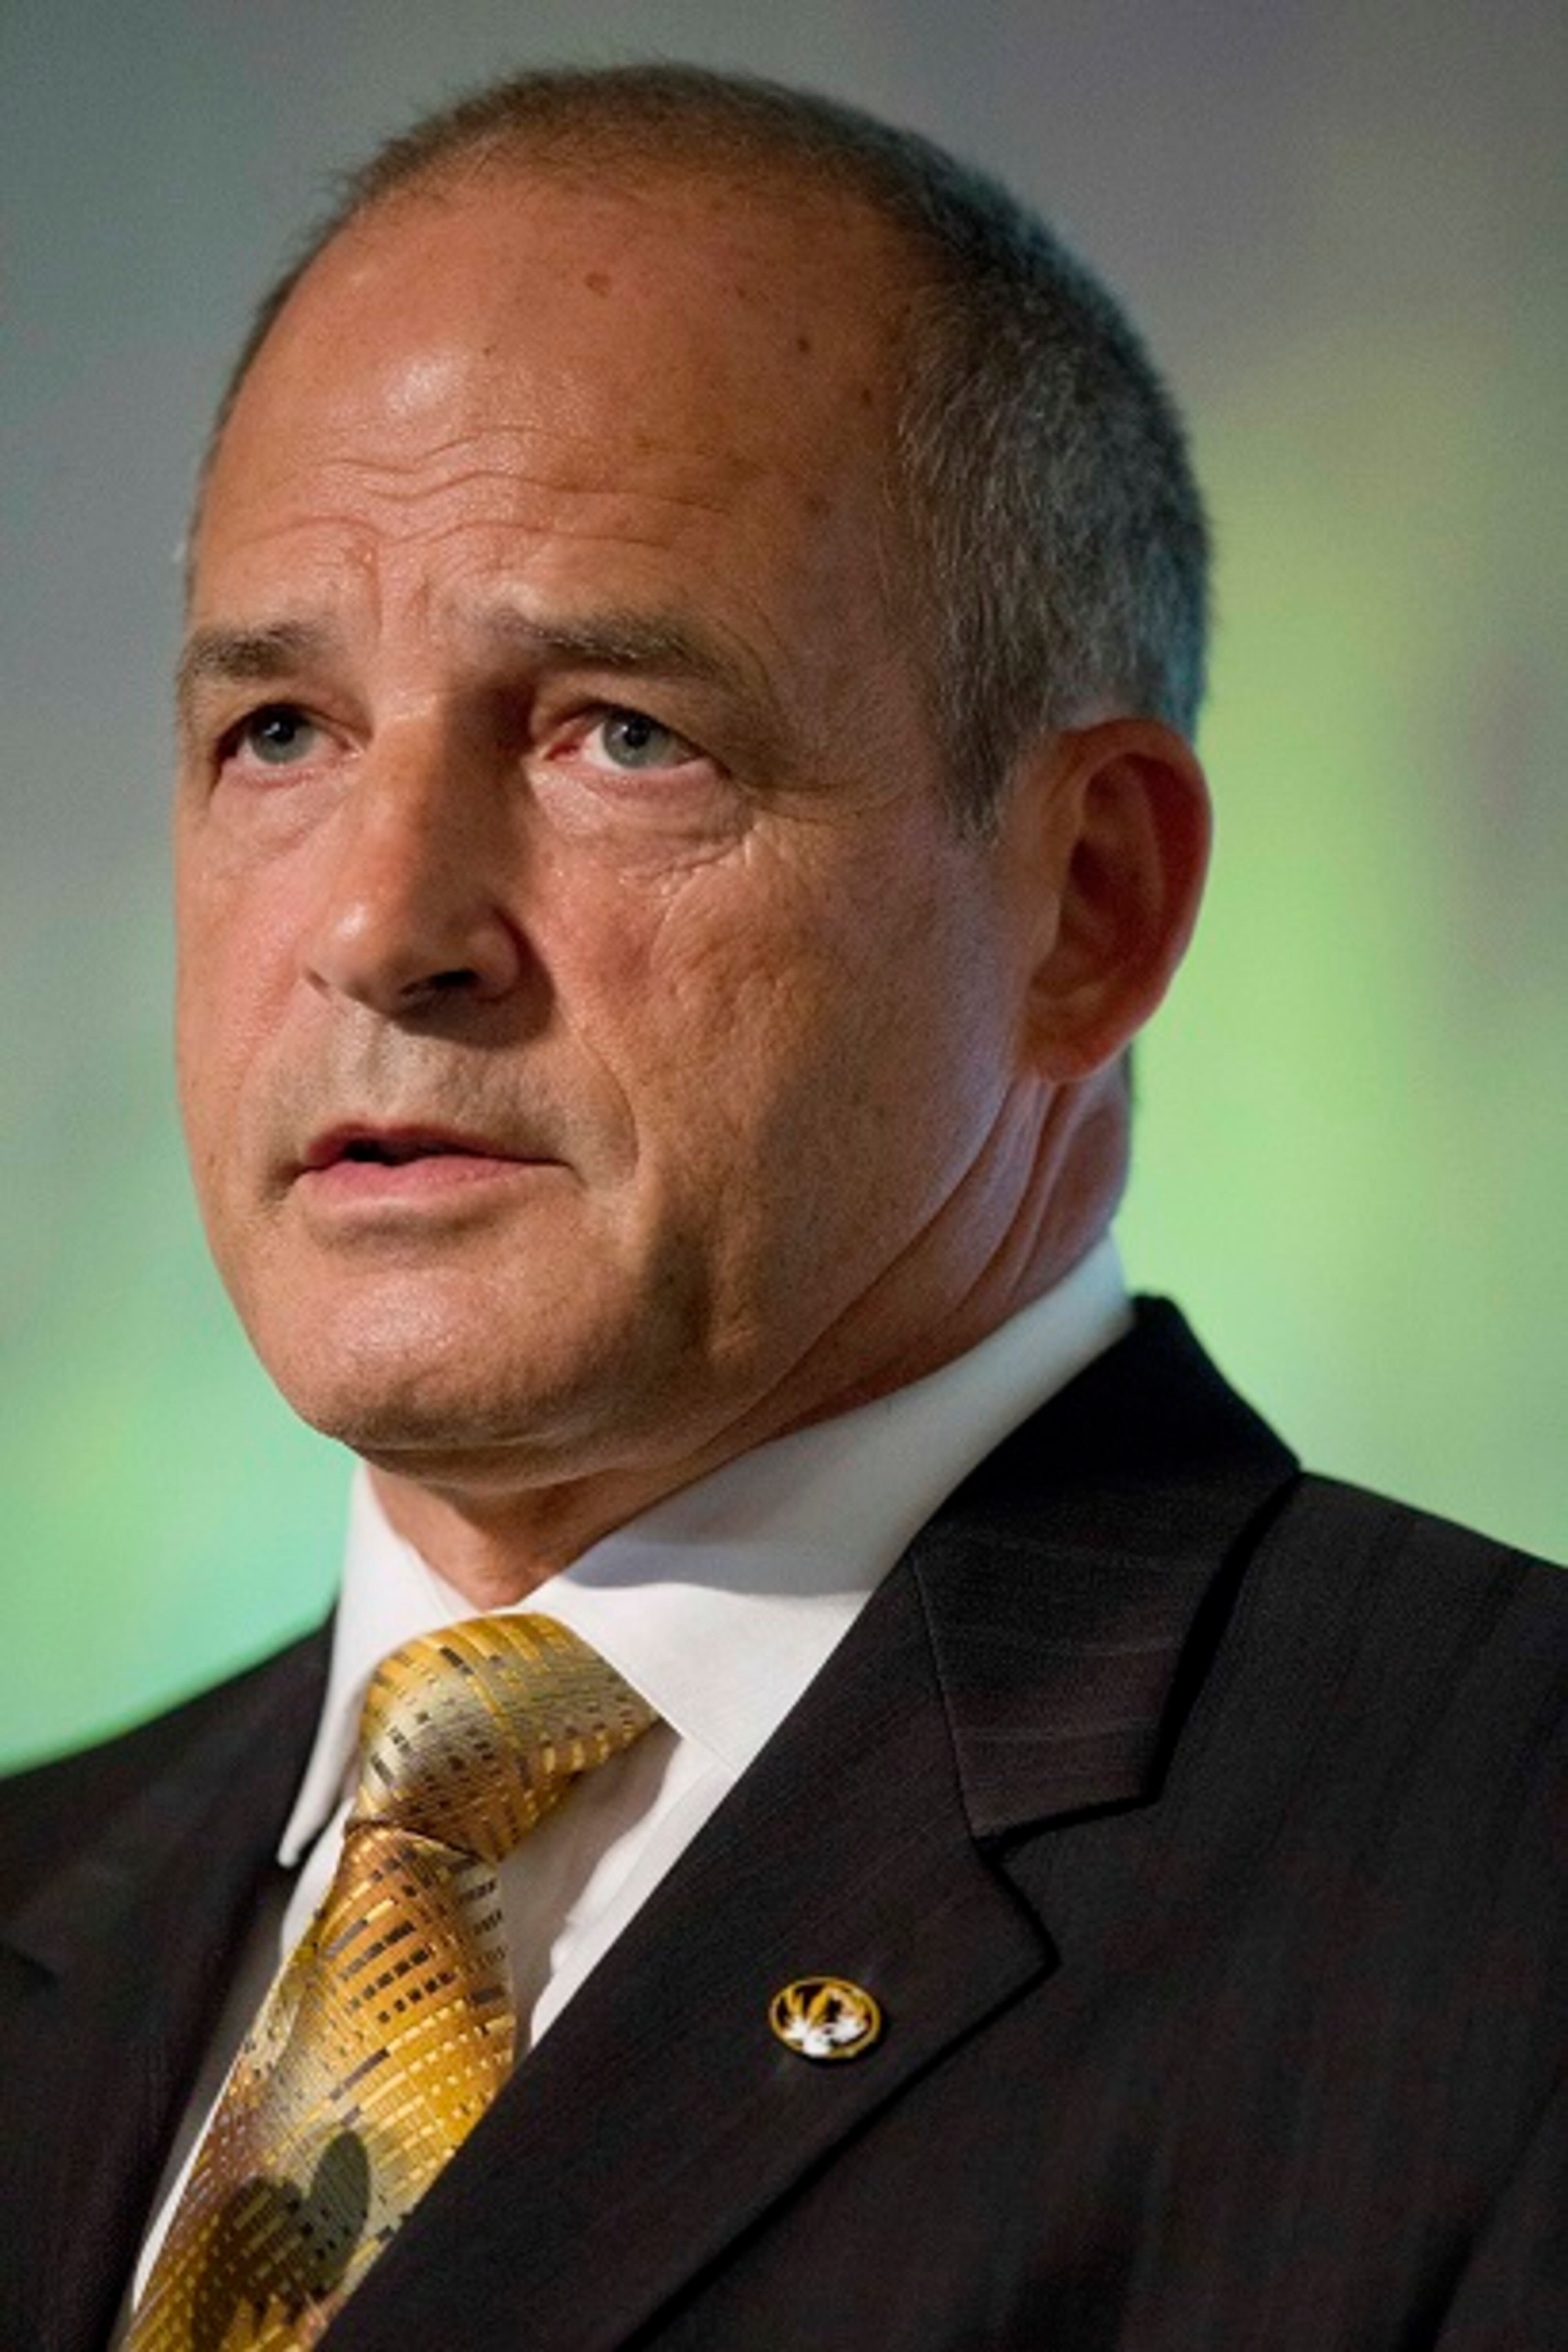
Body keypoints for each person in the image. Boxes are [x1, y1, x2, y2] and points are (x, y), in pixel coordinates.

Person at [1, 63, 1563, 2352]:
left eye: (622, 730)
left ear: (1087, 902)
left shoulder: (1505, 1893)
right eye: (280, 734)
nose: (379, 921)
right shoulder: (47, 1889)